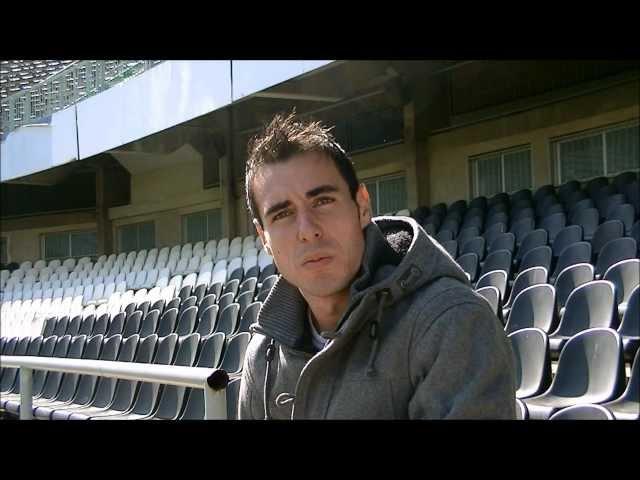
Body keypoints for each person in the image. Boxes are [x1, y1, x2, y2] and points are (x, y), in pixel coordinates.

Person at [237, 111, 516, 419]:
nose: (307, 230)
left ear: (362, 205)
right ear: (264, 238)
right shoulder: (263, 354)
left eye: (322, 201)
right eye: (282, 214)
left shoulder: (451, 323)